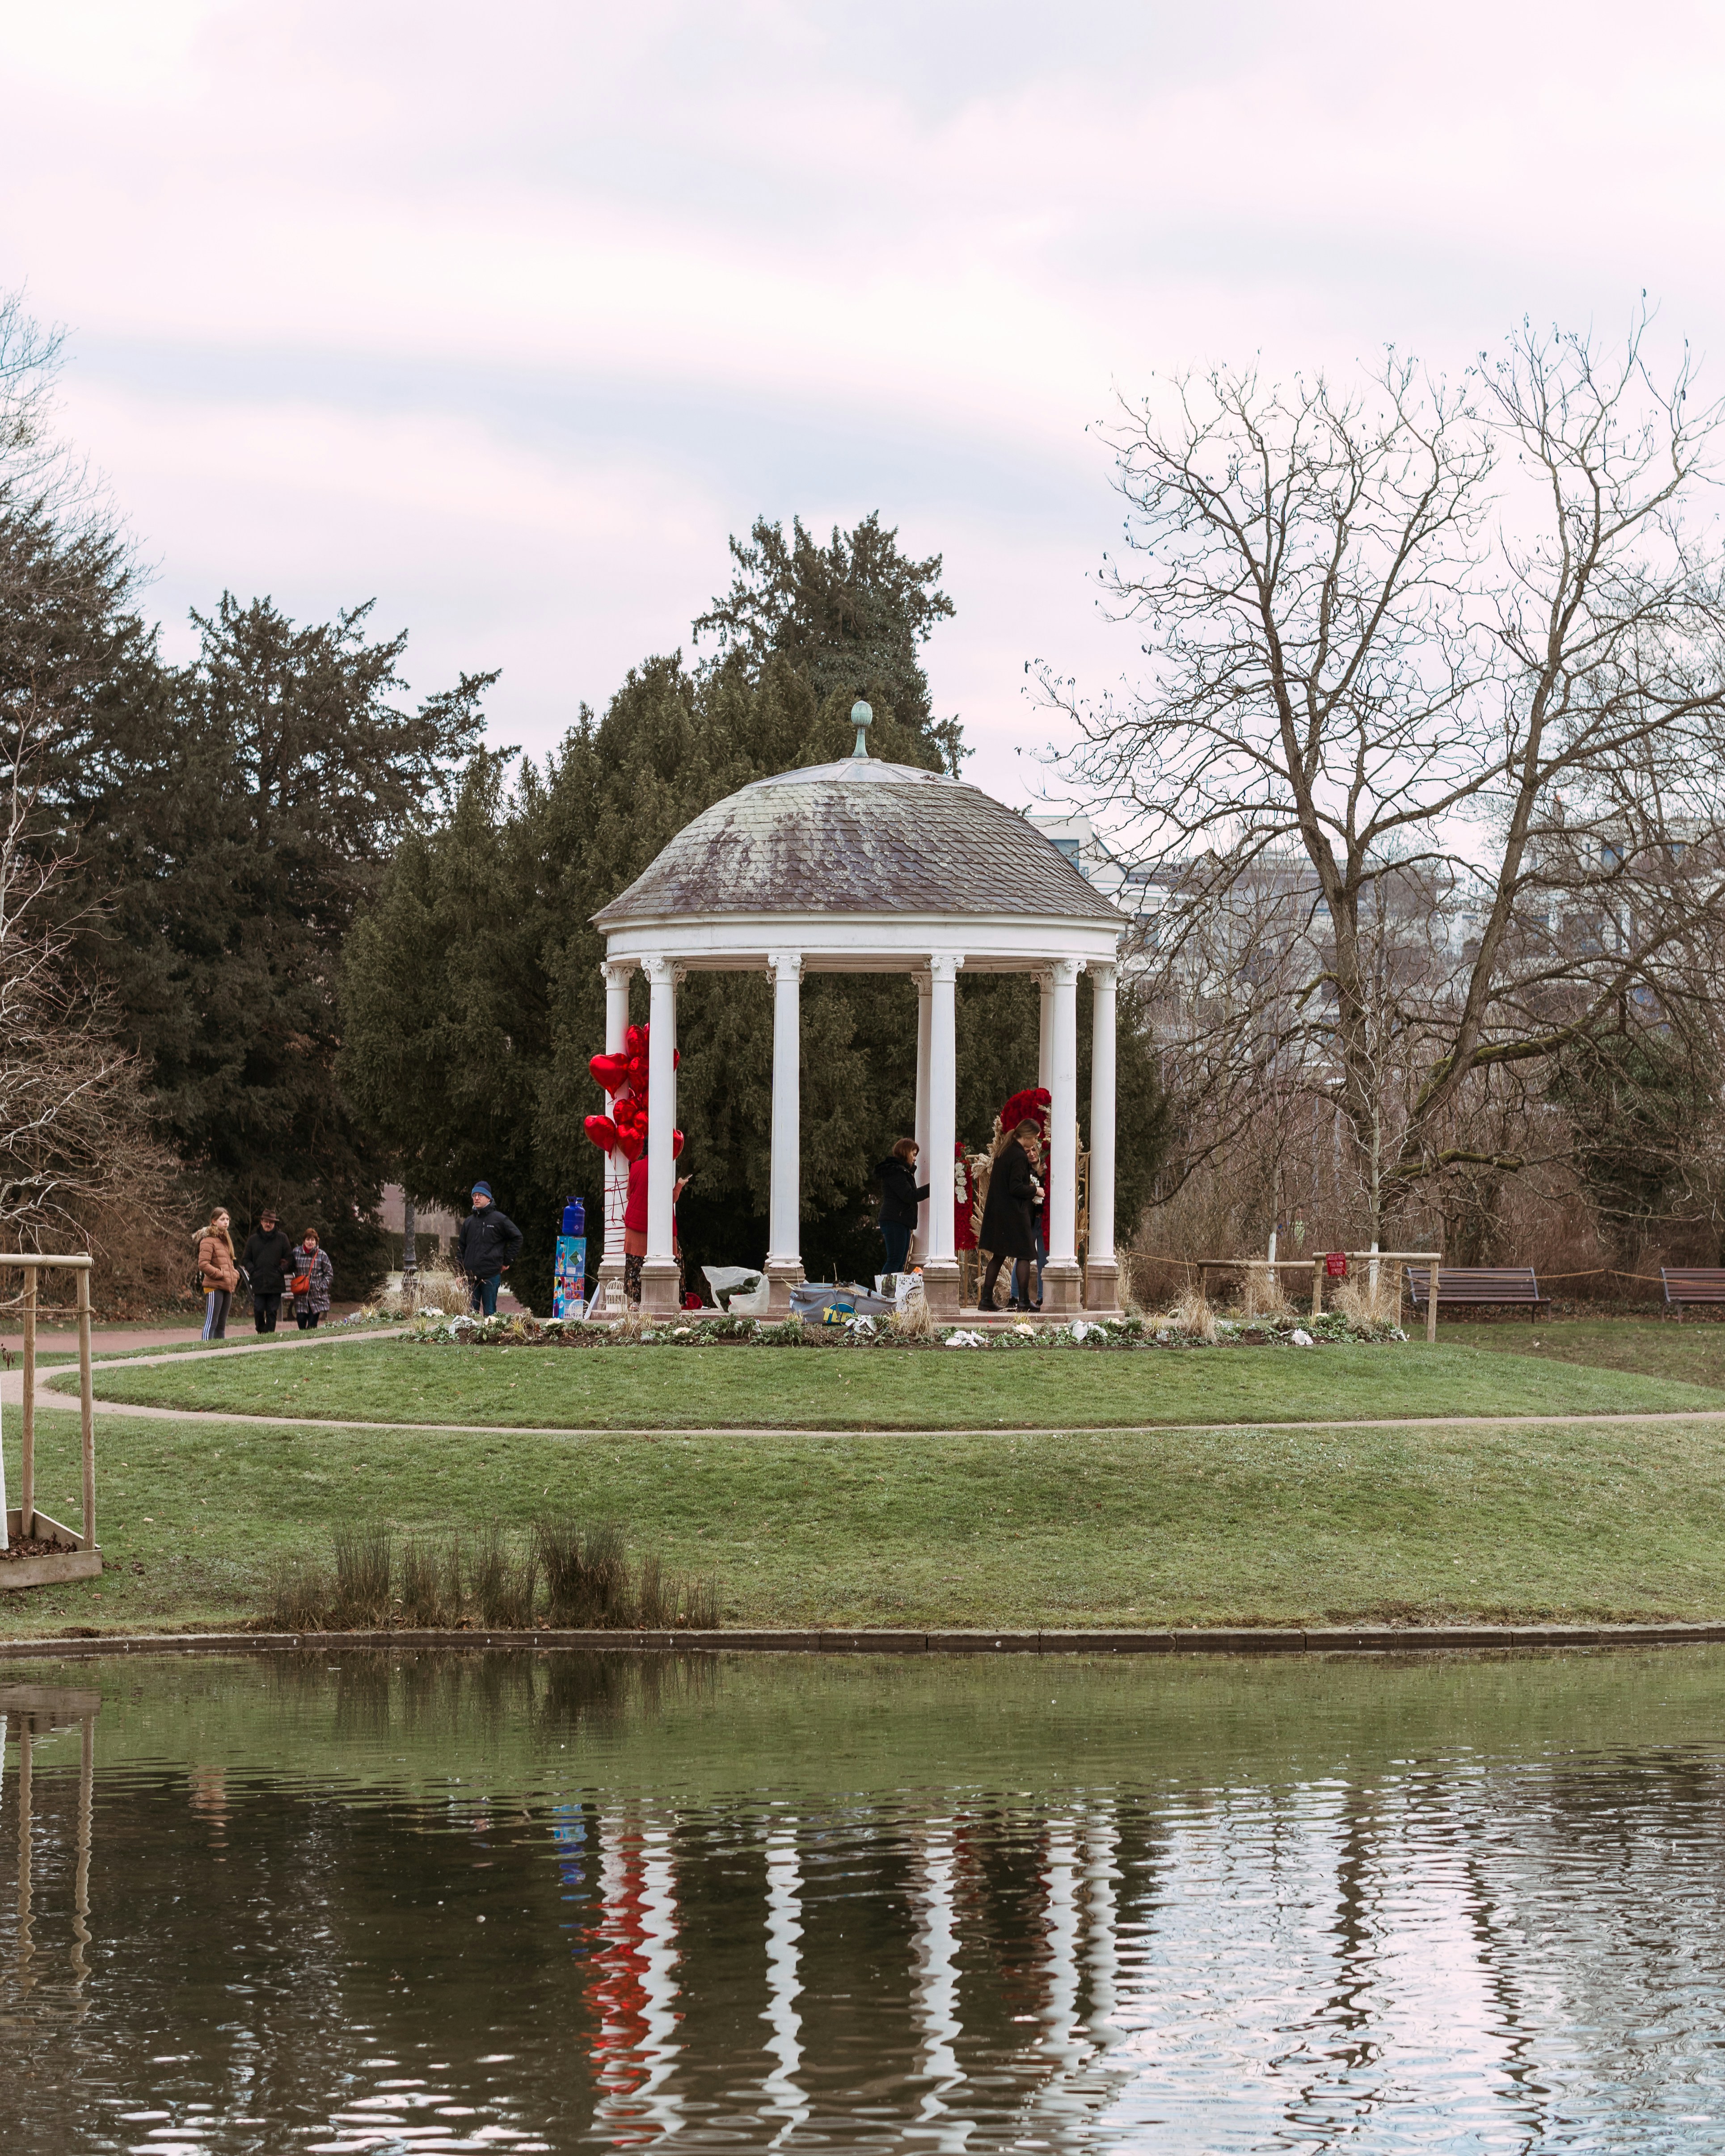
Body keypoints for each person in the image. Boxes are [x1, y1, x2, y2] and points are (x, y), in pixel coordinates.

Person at [978, 1118, 1044, 1311]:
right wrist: (1035, 1190)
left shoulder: (1004, 1151)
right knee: (1024, 1254)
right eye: (1035, 1139)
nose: (1035, 1143)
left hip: (998, 1211)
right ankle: (1024, 1300)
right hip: (1013, 1213)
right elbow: (1015, 1187)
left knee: (999, 1255)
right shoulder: (1018, 1156)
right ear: (1028, 1136)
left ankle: (986, 1299)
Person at [621, 1155, 689, 1305]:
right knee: (674, 1258)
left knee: (635, 1262)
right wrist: (679, 1185)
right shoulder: (662, 1169)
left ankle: (636, 1302)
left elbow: (629, 1194)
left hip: (634, 1224)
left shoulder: (636, 1166)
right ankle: (669, 1301)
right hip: (658, 1225)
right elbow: (668, 1198)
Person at [456, 1181, 523, 1317]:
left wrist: (507, 1261)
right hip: (471, 1276)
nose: (476, 1198)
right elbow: (461, 1248)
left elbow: (518, 1237)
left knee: (490, 1316)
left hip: (491, 1275)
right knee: (470, 1317)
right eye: (474, 1195)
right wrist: (459, 1273)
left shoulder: (499, 1220)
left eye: (480, 1195)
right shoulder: (469, 1222)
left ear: (489, 1198)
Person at [873, 1137, 928, 1277]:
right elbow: (909, 1196)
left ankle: (893, 1292)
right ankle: (886, 1292)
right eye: (913, 1154)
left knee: (900, 1262)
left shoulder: (902, 1172)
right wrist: (933, 1187)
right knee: (895, 1260)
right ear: (905, 1152)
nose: (915, 1159)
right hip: (894, 1220)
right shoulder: (895, 1172)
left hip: (901, 1221)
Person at [243, 1207, 294, 1334]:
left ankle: (270, 1334)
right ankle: (261, 1331)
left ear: (275, 1223)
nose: (268, 1224)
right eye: (266, 1221)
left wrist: (281, 1270)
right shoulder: (253, 1240)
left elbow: (290, 1258)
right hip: (259, 1280)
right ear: (262, 1222)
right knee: (259, 1309)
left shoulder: (282, 1238)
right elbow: (246, 1259)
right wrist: (253, 1271)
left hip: (276, 1281)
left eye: (271, 1222)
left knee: (272, 1311)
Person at [197, 1208, 240, 1340]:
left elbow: (229, 1262)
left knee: (221, 1326)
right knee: (212, 1323)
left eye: (227, 1219)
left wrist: (234, 1274)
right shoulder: (208, 1241)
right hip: (214, 1287)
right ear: (214, 1222)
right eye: (222, 1219)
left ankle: (219, 1353)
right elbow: (203, 1264)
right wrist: (220, 1274)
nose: (226, 1222)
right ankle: (205, 1352)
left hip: (227, 1286)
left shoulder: (226, 1240)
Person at [290, 1230, 334, 1329]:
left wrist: (322, 1286)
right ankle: (303, 1342)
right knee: (301, 1320)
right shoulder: (296, 1252)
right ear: (304, 1241)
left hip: (316, 1295)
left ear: (316, 1242)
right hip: (301, 1295)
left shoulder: (322, 1255)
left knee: (312, 1326)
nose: (310, 1242)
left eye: (313, 1240)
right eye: (308, 1239)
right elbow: (289, 1266)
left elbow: (329, 1273)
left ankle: (311, 1341)